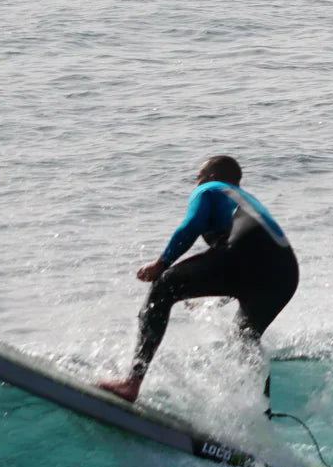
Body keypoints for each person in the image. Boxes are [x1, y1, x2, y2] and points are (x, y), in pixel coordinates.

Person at [99, 155, 299, 403]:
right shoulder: (247, 201)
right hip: (285, 275)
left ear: (210, 177)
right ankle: (259, 409)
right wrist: (211, 302)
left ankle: (131, 383)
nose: (196, 185)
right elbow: (246, 274)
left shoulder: (209, 189)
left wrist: (161, 264)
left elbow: (192, 226)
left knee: (164, 287)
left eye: (198, 178)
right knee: (244, 338)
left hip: (247, 257)